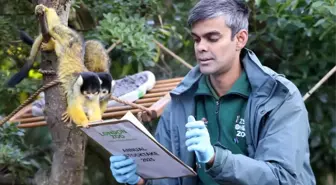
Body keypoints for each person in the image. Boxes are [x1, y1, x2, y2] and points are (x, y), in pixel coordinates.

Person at [109, 0, 316, 184]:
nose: (201, 47)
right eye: (197, 39)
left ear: (240, 39)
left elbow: (285, 178)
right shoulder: (180, 101)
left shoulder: (279, 97)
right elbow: (167, 180)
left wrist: (215, 159)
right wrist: (140, 180)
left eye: (212, 38)